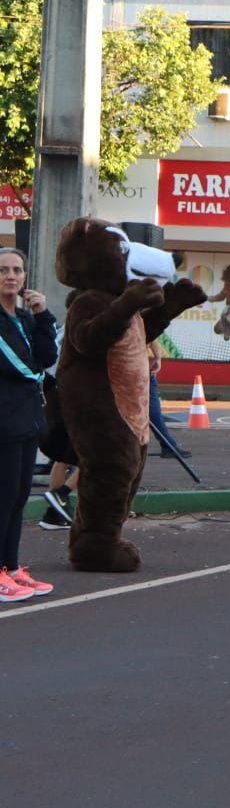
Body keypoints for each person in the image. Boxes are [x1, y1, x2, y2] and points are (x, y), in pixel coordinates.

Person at [0, 248, 57, 601]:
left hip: (27, 419)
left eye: (17, 270)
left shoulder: (24, 317)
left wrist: (43, 315)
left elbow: (48, 357)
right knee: (3, 497)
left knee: (19, 497)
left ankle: (11, 568)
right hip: (4, 421)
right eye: (3, 270)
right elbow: (21, 366)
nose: (11, 275)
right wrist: (39, 374)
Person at [147, 341, 190, 459]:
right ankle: (168, 446)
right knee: (153, 411)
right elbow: (152, 338)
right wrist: (158, 357)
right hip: (139, 369)